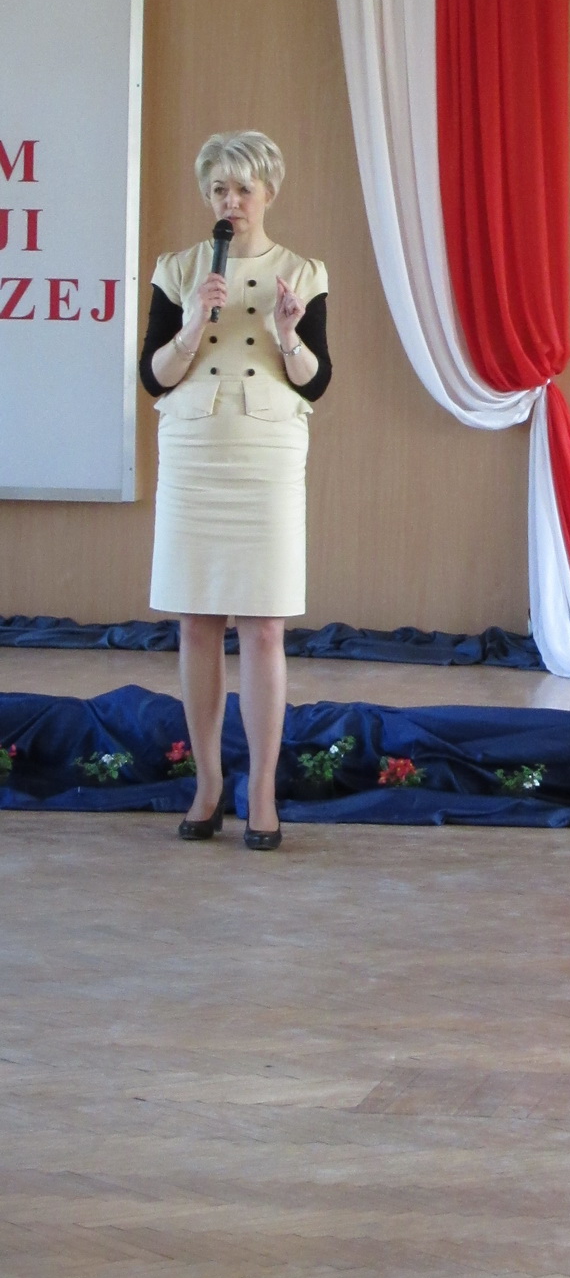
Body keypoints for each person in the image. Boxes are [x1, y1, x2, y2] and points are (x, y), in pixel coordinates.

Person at [138, 131, 331, 851]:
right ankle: (209, 782)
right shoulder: (178, 268)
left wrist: (288, 334)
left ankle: (264, 790)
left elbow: (316, 380)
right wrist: (191, 324)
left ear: (268, 193)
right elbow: (153, 376)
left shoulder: (302, 273)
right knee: (196, 621)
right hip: (195, 448)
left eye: (243, 189)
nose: (231, 202)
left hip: (266, 453)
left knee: (264, 625)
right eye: (219, 189)